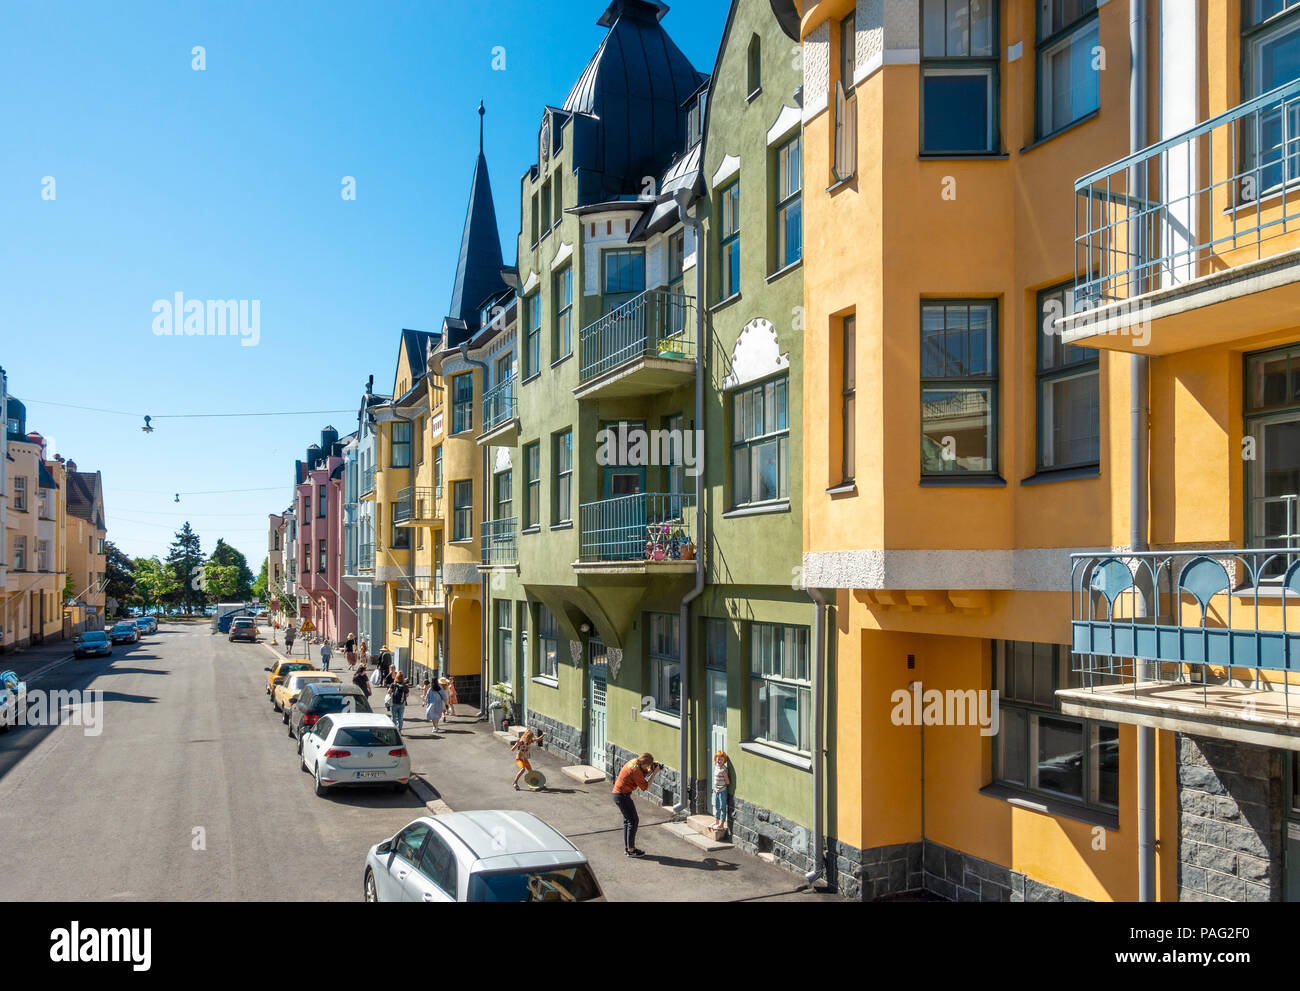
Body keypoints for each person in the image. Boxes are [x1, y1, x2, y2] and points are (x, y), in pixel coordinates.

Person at [612, 753, 661, 857]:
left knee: (628, 821)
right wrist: (654, 773)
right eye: (647, 765)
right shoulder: (635, 770)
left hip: (619, 795)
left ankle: (628, 848)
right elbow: (645, 786)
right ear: (644, 763)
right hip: (622, 796)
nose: (647, 768)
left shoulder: (634, 762)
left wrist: (651, 769)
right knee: (633, 821)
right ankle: (631, 849)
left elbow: (642, 775)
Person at [709, 751, 731, 831]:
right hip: (717, 791)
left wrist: (725, 775)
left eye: (721, 759)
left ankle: (721, 824)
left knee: (722, 807)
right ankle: (716, 821)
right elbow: (715, 779)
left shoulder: (723, 769)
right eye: (718, 759)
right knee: (717, 806)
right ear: (715, 759)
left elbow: (728, 782)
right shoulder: (716, 767)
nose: (719, 761)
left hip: (722, 791)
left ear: (724, 760)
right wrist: (715, 787)